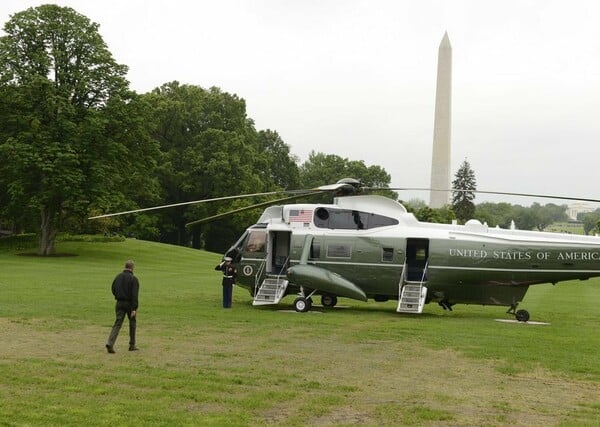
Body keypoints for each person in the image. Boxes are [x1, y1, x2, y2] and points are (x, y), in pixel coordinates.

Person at [106, 260, 140, 353]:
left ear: (125, 267)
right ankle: (132, 345)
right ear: (132, 268)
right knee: (132, 323)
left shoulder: (118, 277)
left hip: (119, 303)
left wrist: (118, 295)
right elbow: (134, 295)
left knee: (117, 323)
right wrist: (134, 308)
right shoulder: (133, 279)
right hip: (129, 304)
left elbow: (113, 289)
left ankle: (110, 342)